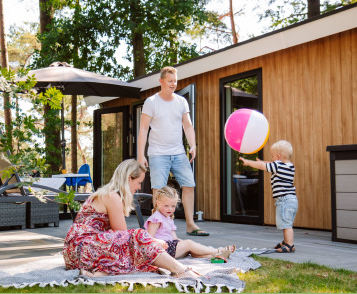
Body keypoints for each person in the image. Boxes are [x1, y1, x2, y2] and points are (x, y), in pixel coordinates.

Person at [63, 159, 201, 278]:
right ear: (129, 178)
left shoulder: (107, 193)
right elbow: (124, 236)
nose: (139, 187)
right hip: (83, 249)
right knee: (138, 236)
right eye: (139, 182)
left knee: (136, 246)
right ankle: (179, 269)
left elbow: (119, 240)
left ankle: (100, 273)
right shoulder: (112, 196)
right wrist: (152, 240)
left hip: (77, 253)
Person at [137, 66, 208, 236]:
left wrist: (193, 145)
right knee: (158, 190)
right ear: (161, 81)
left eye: (175, 81)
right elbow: (143, 129)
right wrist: (141, 155)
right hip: (158, 153)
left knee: (189, 185)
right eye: (170, 81)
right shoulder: (151, 102)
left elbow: (188, 125)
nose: (173, 84)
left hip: (178, 152)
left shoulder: (181, 101)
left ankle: (191, 224)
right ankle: (158, 228)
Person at [144, 186, 235, 261]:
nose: (170, 209)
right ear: (158, 203)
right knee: (189, 244)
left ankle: (212, 256)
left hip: (170, 247)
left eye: (173, 206)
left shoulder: (168, 217)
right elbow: (147, 239)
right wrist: (187, 244)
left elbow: (174, 238)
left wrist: (183, 243)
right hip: (162, 250)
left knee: (191, 249)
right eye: (166, 206)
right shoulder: (156, 218)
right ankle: (217, 250)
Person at [239, 140, 298, 253]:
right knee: (287, 222)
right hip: (292, 199)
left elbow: (263, 166)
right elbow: (270, 164)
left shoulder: (277, 165)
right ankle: (286, 241)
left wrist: (248, 162)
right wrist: (264, 162)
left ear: (278, 156)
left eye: (272, 156)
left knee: (286, 224)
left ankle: (290, 245)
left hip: (284, 200)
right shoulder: (290, 166)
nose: (271, 159)